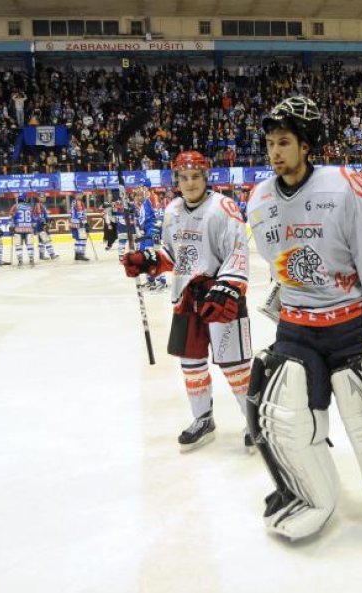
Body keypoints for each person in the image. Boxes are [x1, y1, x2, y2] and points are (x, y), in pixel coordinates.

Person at [245, 96, 362, 540]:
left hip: (350, 325)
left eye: (284, 142)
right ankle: (306, 496)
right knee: (284, 415)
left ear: (306, 145)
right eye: (270, 143)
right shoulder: (259, 199)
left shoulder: (346, 188)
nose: (274, 152)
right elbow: (278, 262)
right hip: (295, 325)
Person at [121, 150, 253, 452]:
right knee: (191, 364)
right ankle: (202, 418)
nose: (190, 183)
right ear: (176, 180)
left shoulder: (224, 208)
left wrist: (229, 288)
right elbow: (171, 253)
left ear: (206, 177)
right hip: (186, 297)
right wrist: (147, 260)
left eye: (196, 177)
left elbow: (237, 253)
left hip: (221, 297)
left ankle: (254, 421)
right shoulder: (173, 211)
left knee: (236, 367)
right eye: (184, 177)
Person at [135, 188, 167, 291]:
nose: (139, 196)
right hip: (150, 231)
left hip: (151, 231)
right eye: (138, 194)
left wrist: (153, 230)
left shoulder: (150, 200)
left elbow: (155, 218)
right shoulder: (147, 201)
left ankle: (160, 281)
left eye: (140, 194)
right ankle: (152, 280)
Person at [9, 194, 35, 266]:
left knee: (18, 245)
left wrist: (11, 226)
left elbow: (11, 217)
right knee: (30, 244)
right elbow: (33, 218)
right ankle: (31, 259)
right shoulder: (29, 207)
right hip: (28, 228)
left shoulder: (15, 206)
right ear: (25, 199)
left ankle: (20, 260)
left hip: (18, 228)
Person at [33, 194, 58, 260]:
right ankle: (52, 255)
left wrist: (49, 220)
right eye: (43, 197)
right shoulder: (38, 205)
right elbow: (40, 216)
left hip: (41, 225)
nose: (45, 198)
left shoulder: (42, 205)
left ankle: (41, 255)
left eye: (45, 197)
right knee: (47, 240)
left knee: (41, 241)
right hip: (41, 225)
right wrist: (44, 224)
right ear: (38, 198)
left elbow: (44, 215)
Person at [69, 194, 90, 261]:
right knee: (83, 239)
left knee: (78, 239)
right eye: (80, 194)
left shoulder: (73, 202)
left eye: (81, 194)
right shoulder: (78, 202)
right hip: (79, 223)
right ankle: (81, 254)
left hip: (74, 223)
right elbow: (80, 214)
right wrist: (85, 223)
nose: (81, 196)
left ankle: (77, 254)